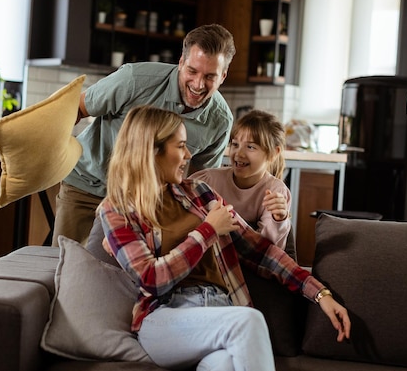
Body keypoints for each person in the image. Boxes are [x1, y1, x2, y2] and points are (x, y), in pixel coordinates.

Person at [98, 105, 351, 371]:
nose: (188, 154)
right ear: (151, 151)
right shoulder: (116, 209)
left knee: (226, 365)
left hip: (220, 308)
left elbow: (261, 252)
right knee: (248, 320)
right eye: (181, 146)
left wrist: (321, 294)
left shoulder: (199, 192)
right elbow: (151, 279)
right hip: (165, 318)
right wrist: (207, 231)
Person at [52, 24, 236, 246]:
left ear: (223, 76)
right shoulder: (134, 79)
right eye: (192, 71)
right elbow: (78, 108)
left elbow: (199, 181)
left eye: (210, 76)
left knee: (124, 278)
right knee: (68, 269)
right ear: (180, 63)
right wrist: (52, 157)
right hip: (88, 189)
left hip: (144, 208)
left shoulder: (220, 121)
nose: (198, 84)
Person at [189, 109, 294, 255]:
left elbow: (268, 251)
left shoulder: (275, 192)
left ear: (273, 153)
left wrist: (279, 219)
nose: (239, 154)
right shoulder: (208, 180)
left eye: (250, 147)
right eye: (235, 144)